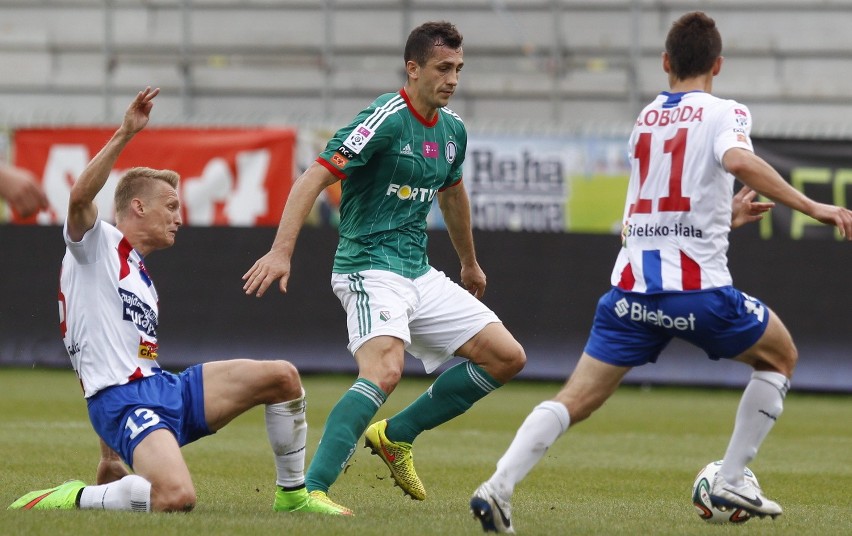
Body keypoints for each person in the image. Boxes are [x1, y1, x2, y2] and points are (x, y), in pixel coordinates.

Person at [469, 11, 852, 534]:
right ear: (718, 64)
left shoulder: (646, 120)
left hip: (629, 293)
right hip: (696, 292)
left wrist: (726, 218)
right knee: (780, 356)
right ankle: (733, 477)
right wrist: (817, 208)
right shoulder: (725, 112)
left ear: (666, 62)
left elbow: (647, 216)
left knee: (573, 399)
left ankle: (497, 486)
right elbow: (738, 161)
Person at [7, 87, 350, 516]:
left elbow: (107, 352)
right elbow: (78, 200)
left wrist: (110, 458)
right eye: (170, 206)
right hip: (125, 403)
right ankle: (71, 498)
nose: (179, 218)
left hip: (163, 388)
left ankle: (294, 496)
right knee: (175, 499)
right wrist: (125, 133)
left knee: (282, 377)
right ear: (137, 207)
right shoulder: (95, 244)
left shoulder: (140, 277)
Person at [243, 21, 526, 511]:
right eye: (443, 68)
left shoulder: (453, 130)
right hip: (368, 267)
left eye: (458, 68)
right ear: (412, 69)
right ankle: (307, 492)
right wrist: (281, 250)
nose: (453, 78)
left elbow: (454, 196)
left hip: (417, 271)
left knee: (506, 357)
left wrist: (469, 263)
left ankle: (396, 436)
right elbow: (314, 175)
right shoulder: (384, 118)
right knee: (385, 371)